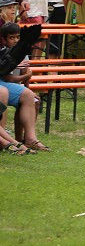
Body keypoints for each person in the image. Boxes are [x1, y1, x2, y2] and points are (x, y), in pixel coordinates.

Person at [0, 23, 47, 152]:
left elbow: (22, 73)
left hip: (6, 83)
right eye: (11, 37)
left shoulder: (17, 51)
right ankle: (5, 140)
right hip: (4, 83)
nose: (15, 40)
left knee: (28, 95)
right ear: (3, 38)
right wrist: (25, 77)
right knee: (2, 93)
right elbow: (7, 76)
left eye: (17, 37)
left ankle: (30, 139)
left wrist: (27, 84)